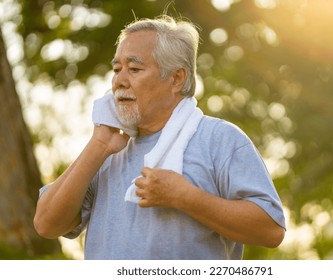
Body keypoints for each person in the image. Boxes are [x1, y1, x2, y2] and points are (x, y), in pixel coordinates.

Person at [33, 15, 286, 260]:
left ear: (177, 78)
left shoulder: (219, 139)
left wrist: (184, 197)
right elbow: (46, 224)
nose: (119, 81)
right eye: (117, 69)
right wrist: (97, 145)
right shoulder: (106, 149)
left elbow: (271, 229)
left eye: (134, 69)